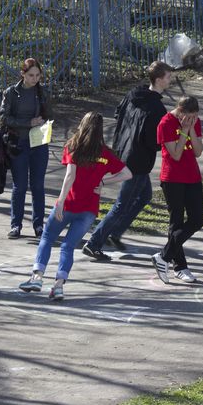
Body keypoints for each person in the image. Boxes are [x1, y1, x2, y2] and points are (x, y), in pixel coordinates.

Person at [18, 112, 131, 300]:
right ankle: (59, 286)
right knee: (68, 246)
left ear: (82, 126)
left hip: (70, 203)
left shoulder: (73, 146)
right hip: (88, 209)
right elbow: (127, 173)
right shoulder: (105, 153)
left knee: (47, 237)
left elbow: (70, 176)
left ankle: (37, 277)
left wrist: (60, 202)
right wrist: (104, 182)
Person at [82, 61, 173, 261]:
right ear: (158, 80)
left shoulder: (133, 95)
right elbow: (153, 141)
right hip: (138, 160)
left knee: (144, 196)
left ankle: (115, 233)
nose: (170, 79)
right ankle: (94, 242)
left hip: (124, 151)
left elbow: (117, 114)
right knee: (122, 204)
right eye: (168, 77)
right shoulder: (157, 109)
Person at [151, 96, 203, 284]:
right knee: (176, 222)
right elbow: (175, 154)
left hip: (193, 176)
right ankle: (180, 267)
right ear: (181, 112)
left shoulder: (194, 121)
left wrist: (192, 130)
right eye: (190, 116)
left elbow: (198, 152)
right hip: (173, 178)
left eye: (196, 116)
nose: (194, 119)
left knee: (197, 220)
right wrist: (184, 131)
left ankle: (163, 256)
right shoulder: (165, 123)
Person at [1, 58, 53, 240]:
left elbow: (49, 114)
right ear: (22, 74)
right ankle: (16, 225)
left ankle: (39, 225)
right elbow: (4, 118)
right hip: (18, 144)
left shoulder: (42, 92)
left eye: (38, 75)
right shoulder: (11, 93)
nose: (35, 79)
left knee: (38, 185)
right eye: (31, 75)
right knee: (20, 186)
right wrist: (27, 123)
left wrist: (45, 123)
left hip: (39, 143)